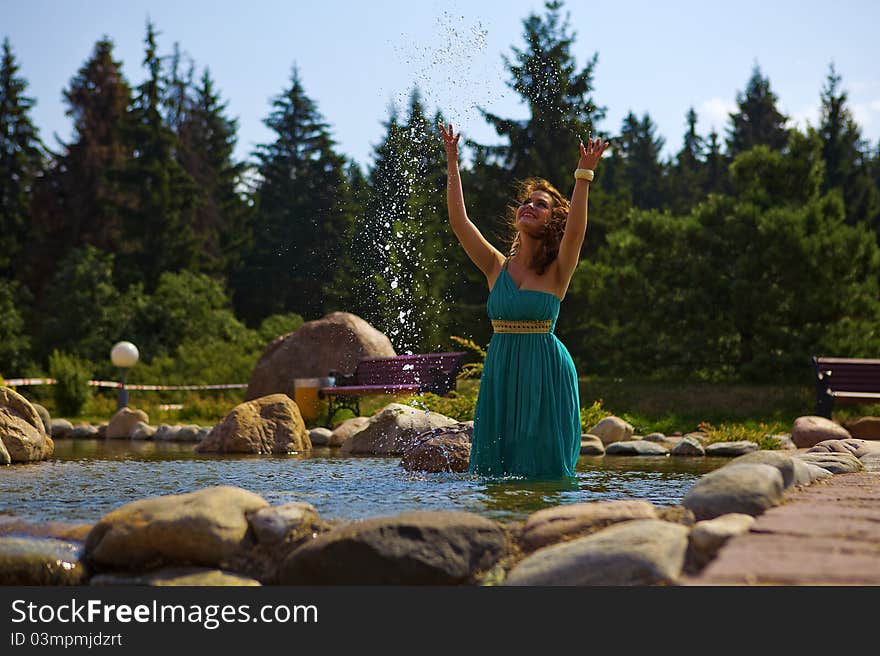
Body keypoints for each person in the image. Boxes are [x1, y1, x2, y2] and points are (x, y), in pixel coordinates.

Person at [439, 121, 609, 478]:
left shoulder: (557, 272)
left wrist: (584, 175)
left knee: (542, 468)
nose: (529, 206)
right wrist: (452, 160)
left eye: (540, 204)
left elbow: (576, 231)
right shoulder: (494, 267)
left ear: (551, 221)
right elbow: (459, 221)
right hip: (501, 369)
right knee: (495, 472)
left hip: (546, 373)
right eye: (526, 202)